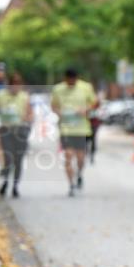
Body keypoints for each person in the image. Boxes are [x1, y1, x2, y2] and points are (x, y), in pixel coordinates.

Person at [51, 67, 98, 197]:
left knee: (81, 158)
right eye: (69, 80)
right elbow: (53, 105)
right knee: (68, 156)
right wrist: (59, 112)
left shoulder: (86, 87)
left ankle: (79, 174)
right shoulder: (58, 89)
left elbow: (94, 102)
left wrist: (85, 110)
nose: (71, 82)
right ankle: (71, 184)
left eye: (73, 80)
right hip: (66, 129)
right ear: (65, 79)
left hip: (81, 129)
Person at [0, 71, 32, 198]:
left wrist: (27, 118)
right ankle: (6, 181)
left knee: (18, 160)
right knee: (8, 158)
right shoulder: (1, 95)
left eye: (18, 84)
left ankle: (15, 185)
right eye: (13, 84)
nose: (16, 87)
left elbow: (31, 114)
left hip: (20, 130)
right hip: (6, 130)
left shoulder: (25, 97)